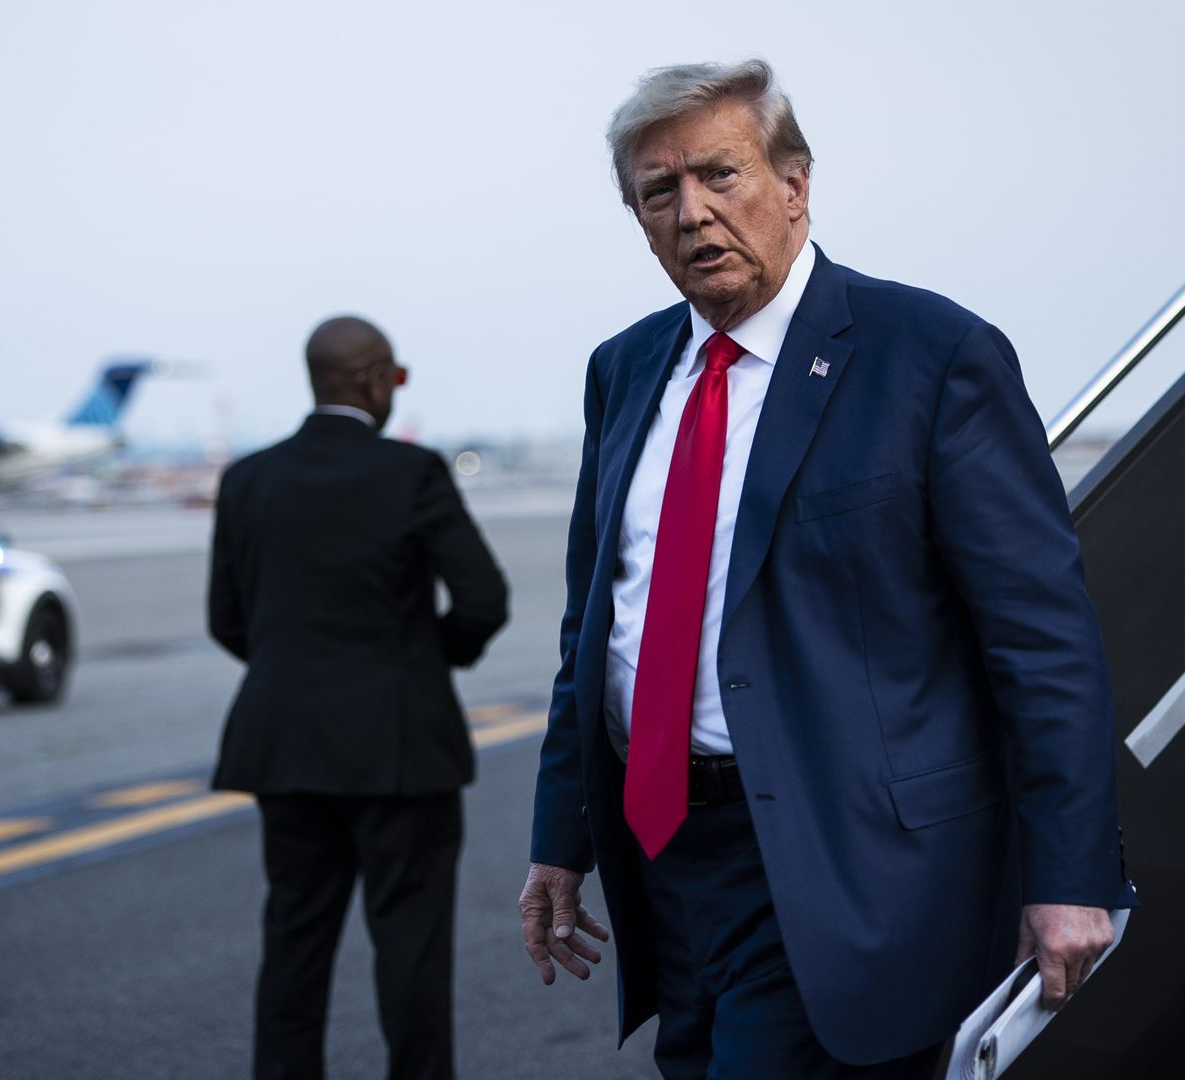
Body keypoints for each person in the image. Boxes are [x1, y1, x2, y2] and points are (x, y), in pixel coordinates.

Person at [518, 60, 1136, 1078]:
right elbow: (598, 627)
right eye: (658, 193)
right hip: (669, 855)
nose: (693, 212)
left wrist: (1073, 873)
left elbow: (1042, 639)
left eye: (721, 175)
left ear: (795, 185)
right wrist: (562, 836)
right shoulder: (624, 369)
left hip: (845, 860)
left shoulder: (929, 354)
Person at [209, 316, 510, 1080]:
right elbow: (483, 599)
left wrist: (298, 671)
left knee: (294, 948)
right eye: (396, 379)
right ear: (376, 379)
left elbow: (227, 620)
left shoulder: (247, 479)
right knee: (410, 957)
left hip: (286, 746)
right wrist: (420, 662)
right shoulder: (411, 474)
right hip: (403, 751)